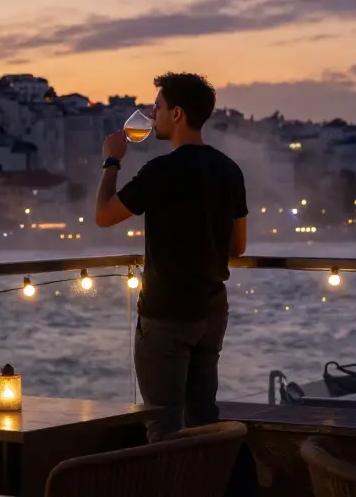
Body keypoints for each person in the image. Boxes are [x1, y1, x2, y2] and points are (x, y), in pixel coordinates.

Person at [94, 72, 248, 442]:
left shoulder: (161, 171)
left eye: (157, 107)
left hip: (166, 312)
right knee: (204, 418)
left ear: (177, 113)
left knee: (162, 423)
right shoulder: (228, 169)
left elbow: (103, 216)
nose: (153, 114)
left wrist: (112, 162)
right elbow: (238, 246)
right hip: (212, 309)